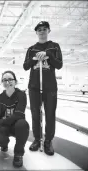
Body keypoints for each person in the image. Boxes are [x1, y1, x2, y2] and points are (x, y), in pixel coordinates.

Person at [23, 21, 63, 156]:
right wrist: (35, 58)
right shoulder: (31, 48)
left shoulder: (54, 46)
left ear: (48, 31)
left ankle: (48, 141)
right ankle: (37, 139)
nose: (41, 31)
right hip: (34, 87)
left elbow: (59, 65)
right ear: (36, 32)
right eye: (39, 29)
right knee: (35, 114)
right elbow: (25, 66)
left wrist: (48, 55)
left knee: (50, 114)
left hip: (50, 87)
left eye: (44, 29)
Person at [0, 71, 30, 168]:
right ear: (2, 82)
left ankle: (18, 154)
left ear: (15, 81)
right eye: (4, 80)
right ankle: (4, 144)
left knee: (23, 124)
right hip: (5, 127)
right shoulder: (0, 98)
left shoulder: (21, 95)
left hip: (17, 126)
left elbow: (18, 115)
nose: (7, 82)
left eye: (10, 79)